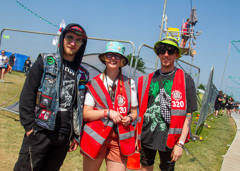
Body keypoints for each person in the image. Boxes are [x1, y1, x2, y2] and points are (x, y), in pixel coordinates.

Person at [14, 23, 89, 171]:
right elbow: (28, 94)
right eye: (70, 37)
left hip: (63, 135)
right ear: (63, 39)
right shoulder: (45, 61)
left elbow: (77, 106)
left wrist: (75, 134)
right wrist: (29, 127)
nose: (73, 43)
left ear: (82, 45)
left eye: (78, 40)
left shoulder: (82, 73)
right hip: (40, 129)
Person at [136, 36, 197, 171]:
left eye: (170, 51)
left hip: (170, 140)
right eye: (162, 50)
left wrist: (180, 144)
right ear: (158, 54)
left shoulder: (186, 80)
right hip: (147, 136)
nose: (166, 54)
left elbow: (188, 115)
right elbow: (141, 110)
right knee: (145, 166)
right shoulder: (147, 79)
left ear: (176, 55)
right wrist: (137, 136)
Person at [80, 42, 138, 171]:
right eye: (109, 55)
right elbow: (86, 113)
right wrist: (107, 113)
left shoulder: (130, 83)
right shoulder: (94, 83)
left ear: (122, 61)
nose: (113, 58)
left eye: (117, 56)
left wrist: (129, 118)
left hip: (119, 140)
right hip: (96, 137)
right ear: (104, 59)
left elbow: (134, 112)